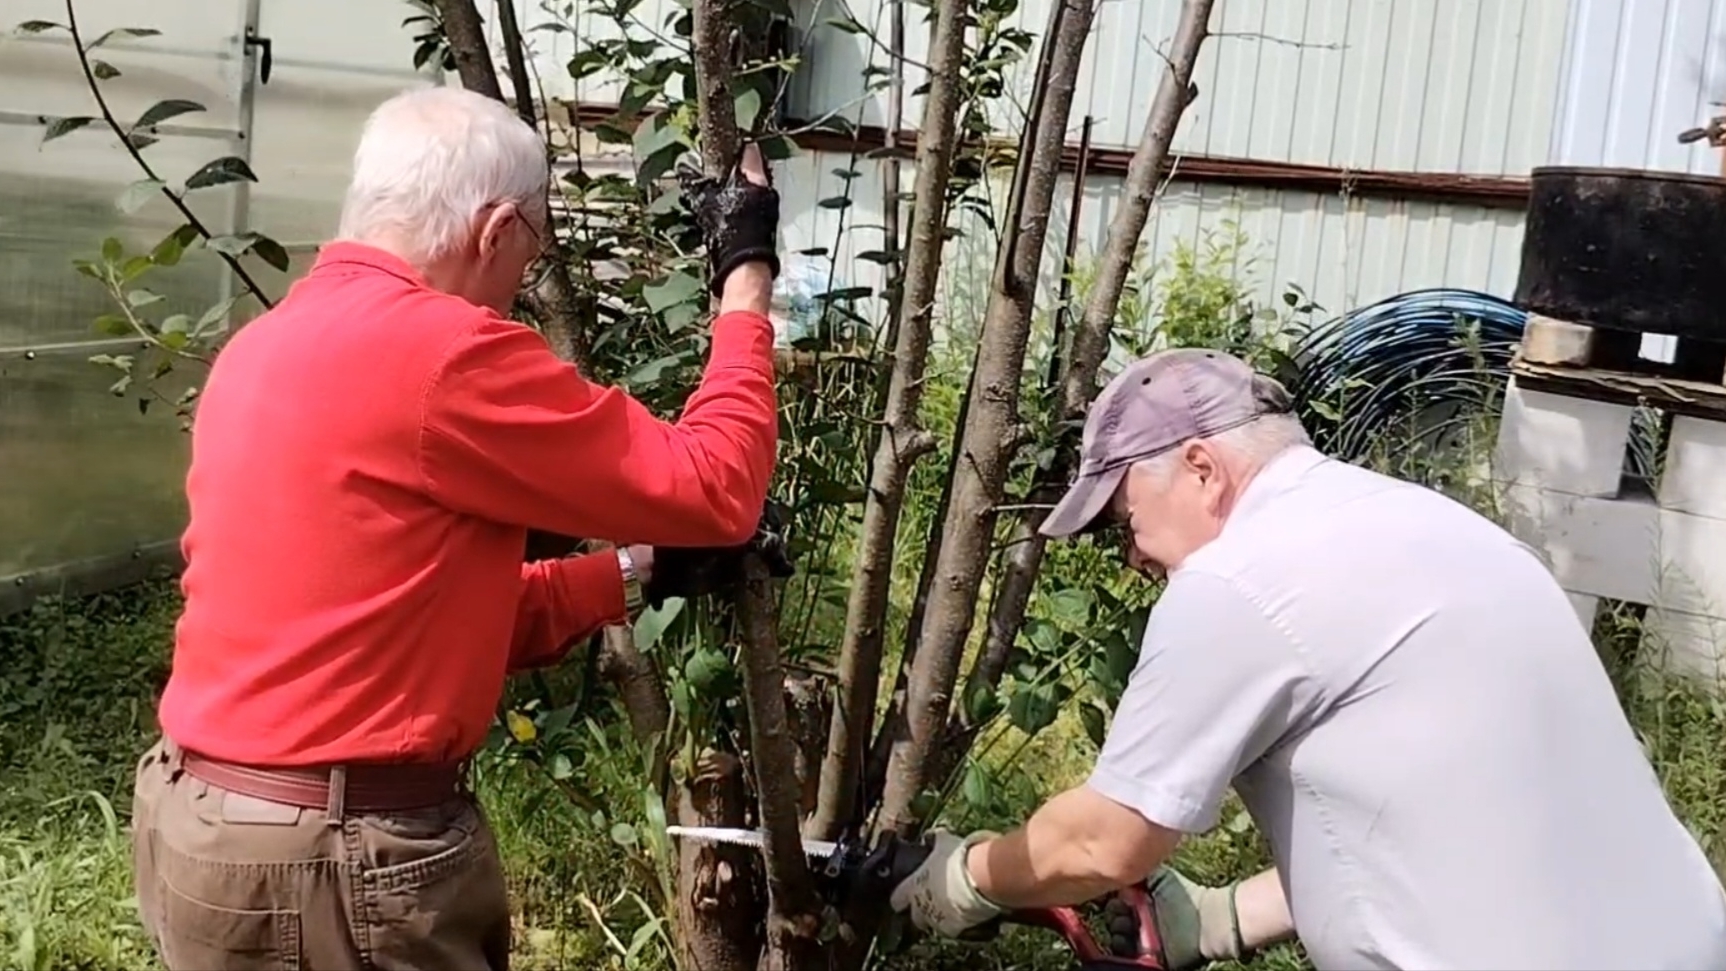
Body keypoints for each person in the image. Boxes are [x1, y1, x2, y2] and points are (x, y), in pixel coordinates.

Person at [130, 85, 784, 971]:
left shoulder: (260, 349)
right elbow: (717, 487)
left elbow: (397, 618)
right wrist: (745, 278)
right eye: (531, 245)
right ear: (497, 228)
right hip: (333, 860)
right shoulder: (447, 355)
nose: (523, 273)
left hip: (201, 827)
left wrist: (636, 570)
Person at [889, 347, 1726, 969]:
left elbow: (1107, 844)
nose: (1131, 555)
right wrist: (1220, 919)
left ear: (1202, 468)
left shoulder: (1237, 579)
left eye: (1123, 517)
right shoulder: (1437, 528)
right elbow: (1447, 814)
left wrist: (970, 877)